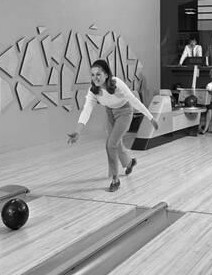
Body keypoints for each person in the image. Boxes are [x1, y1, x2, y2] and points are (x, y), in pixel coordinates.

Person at [67, 59, 159, 192]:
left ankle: (115, 179)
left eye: (98, 74)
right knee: (116, 143)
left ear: (106, 74)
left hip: (125, 112)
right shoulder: (93, 91)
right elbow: (86, 110)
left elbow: (133, 100)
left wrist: (150, 117)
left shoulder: (116, 84)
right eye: (92, 75)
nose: (95, 78)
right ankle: (129, 162)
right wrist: (78, 131)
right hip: (110, 112)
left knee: (111, 144)